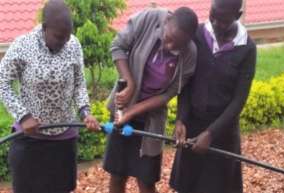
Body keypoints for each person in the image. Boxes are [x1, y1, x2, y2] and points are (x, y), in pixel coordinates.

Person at [0, 0, 99, 192]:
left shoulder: (73, 45)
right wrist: (23, 116)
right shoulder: (23, 45)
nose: (64, 42)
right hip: (30, 138)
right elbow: (2, 82)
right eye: (59, 37)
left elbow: (79, 83)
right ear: (45, 28)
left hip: (64, 138)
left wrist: (85, 112)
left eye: (67, 37)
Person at [103, 7, 198, 193]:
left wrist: (133, 111)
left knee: (146, 180)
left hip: (151, 121)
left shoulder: (190, 54)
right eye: (168, 38)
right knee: (117, 174)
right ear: (167, 22)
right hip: (122, 108)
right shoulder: (148, 18)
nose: (169, 46)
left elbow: (167, 95)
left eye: (177, 45)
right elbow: (117, 46)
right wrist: (130, 84)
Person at [170, 0, 257, 193]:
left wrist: (211, 133)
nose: (216, 23)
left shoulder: (247, 48)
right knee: (187, 187)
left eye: (224, 20)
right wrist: (180, 120)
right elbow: (186, 83)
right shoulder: (198, 36)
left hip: (223, 135)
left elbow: (238, 101)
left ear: (238, 15)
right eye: (213, 15)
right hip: (192, 129)